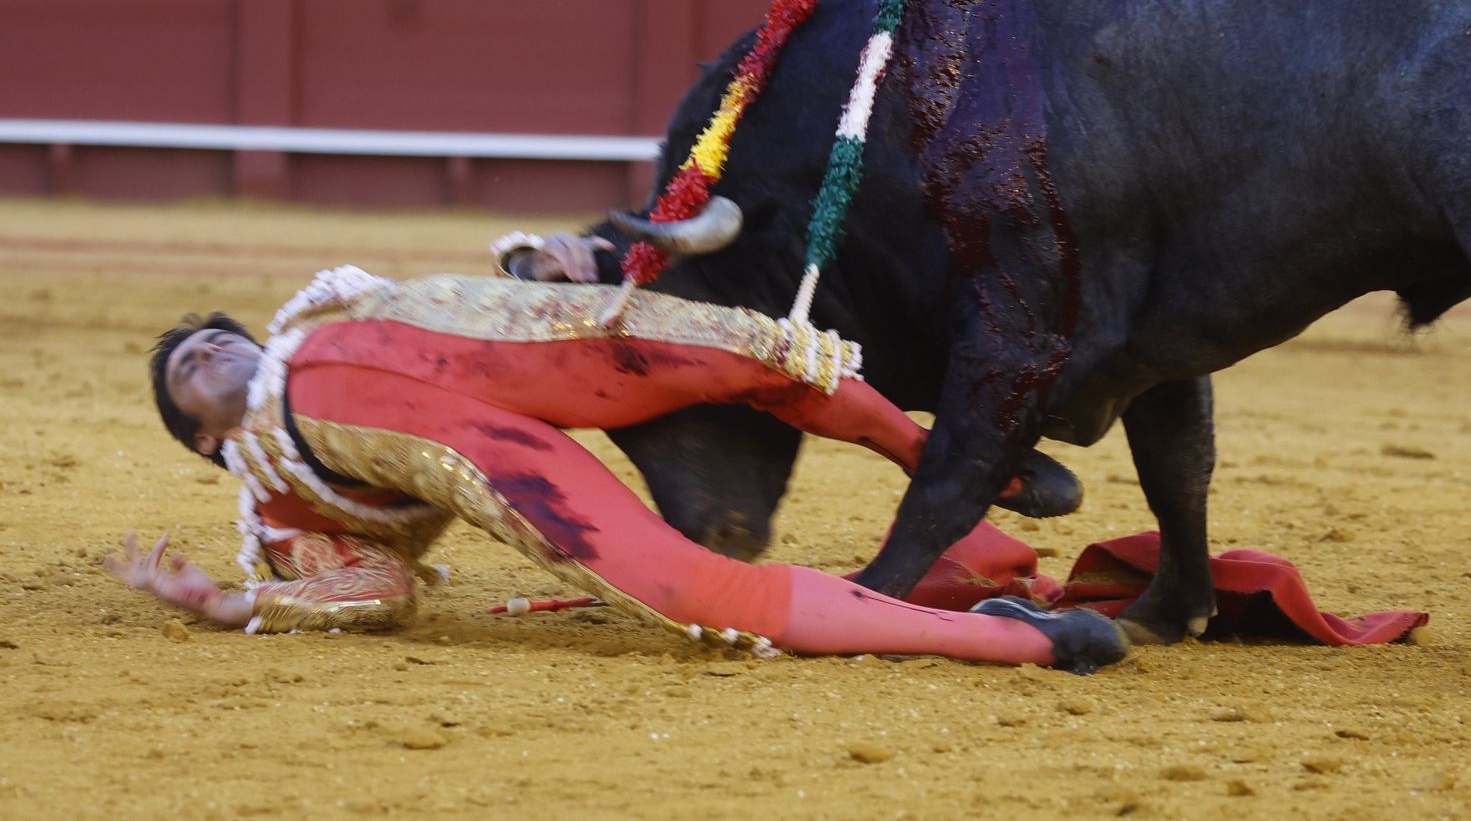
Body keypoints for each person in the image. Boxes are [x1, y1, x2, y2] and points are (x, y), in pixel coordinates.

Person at [106, 242, 1127, 673]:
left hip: (528, 338)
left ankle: (947, 462)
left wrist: (548, 260)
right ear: (206, 438)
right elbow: (379, 589)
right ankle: (1024, 643)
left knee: (750, 347)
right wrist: (222, 604)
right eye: (190, 366)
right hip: (498, 457)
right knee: (702, 592)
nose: (213, 349)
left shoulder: (326, 309)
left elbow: (462, 292)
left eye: (216, 335)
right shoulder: (279, 509)